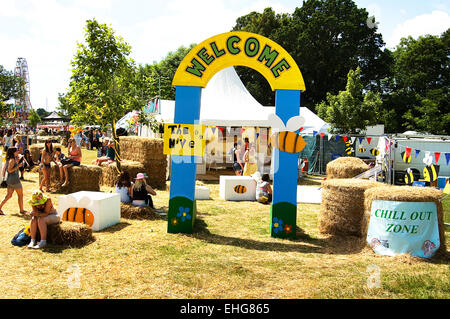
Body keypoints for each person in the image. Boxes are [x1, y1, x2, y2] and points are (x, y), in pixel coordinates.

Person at [0, 147, 27, 215]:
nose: (17, 152)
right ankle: (21, 210)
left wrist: (17, 161)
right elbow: (9, 170)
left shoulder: (10, 159)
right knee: (20, 195)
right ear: (13, 152)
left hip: (10, 180)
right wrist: (18, 166)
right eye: (16, 151)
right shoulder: (12, 160)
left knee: (9, 195)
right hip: (14, 180)